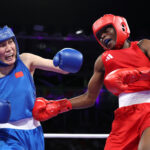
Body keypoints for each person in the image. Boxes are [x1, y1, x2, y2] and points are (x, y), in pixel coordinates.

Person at [33, 14, 150, 150]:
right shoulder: (102, 61)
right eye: (100, 35)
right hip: (124, 117)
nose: (103, 36)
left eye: (106, 30)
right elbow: (89, 97)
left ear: (121, 26)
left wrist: (137, 74)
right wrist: (59, 106)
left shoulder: (144, 45)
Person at [0, 25, 83, 150]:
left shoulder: (26, 60)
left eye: (10, 42)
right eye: (2, 45)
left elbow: (61, 69)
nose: (9, 48)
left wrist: (64, 61)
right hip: (5, 134)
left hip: (34, 131)